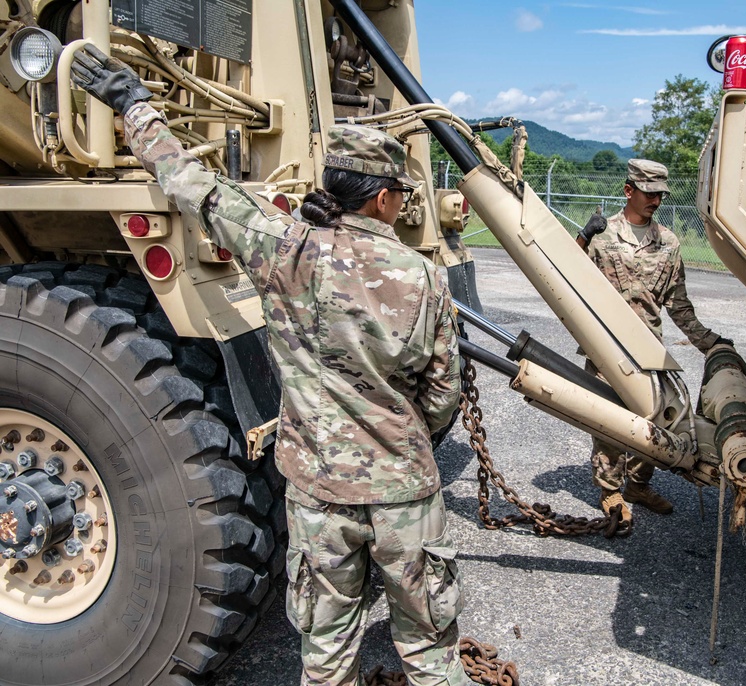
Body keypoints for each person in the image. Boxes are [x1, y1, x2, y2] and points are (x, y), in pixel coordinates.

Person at [71, 46, 468, 685]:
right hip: (404, 492)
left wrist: (133, 105)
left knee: (326, 654)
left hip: (317, 494)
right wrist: (401, 441)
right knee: (429, 652)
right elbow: (443, 394)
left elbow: (188, 181)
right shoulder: (421, 277)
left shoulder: (282, 247)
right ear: (384, 199)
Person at [576, 159, 729, 523]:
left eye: (661, 194)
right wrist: (582, 237)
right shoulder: (603, 235)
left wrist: (709, 343)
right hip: (606, 346)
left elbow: (679, 304)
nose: (656, 200)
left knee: (656, 421)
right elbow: (564, 276)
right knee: (609, 422)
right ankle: (611, 491)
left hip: (648, 348)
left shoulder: (668, 242)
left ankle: (639, 484)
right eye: (649, 193)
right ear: (629, 191)